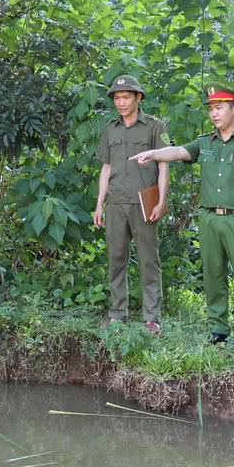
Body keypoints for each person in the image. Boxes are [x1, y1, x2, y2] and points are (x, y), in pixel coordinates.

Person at [129, 82, 234, 349]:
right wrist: (153, 153)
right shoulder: (205, 142)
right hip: (209, 219)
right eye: (211, 109)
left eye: (219, 108)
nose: (214, 114)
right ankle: (219, 329)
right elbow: (179, 151)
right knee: (213, 274)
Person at [93, 74, 169, 333]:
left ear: (138, 97)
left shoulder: (154, 126)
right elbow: (106, 168)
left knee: (149, 259)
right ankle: (117, 314)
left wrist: (161, 201)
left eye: (126, 97)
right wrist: (99, 204)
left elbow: (164, 166)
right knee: (116, 258)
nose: (121, 103)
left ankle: (152, 318)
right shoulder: (110, 128)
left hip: (143, 202)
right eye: (117, 98)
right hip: (115, 202)